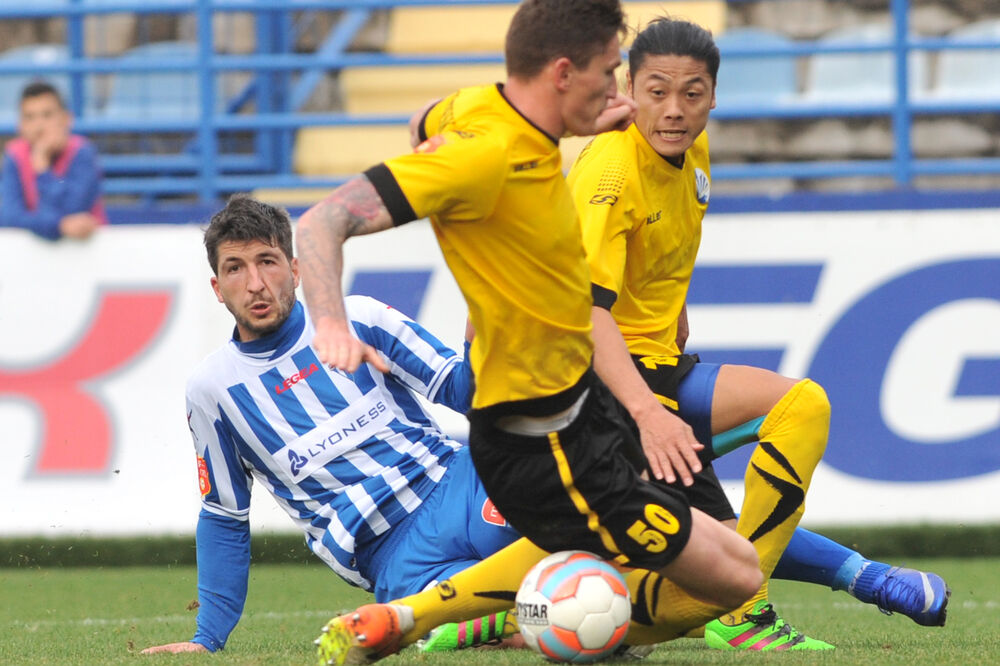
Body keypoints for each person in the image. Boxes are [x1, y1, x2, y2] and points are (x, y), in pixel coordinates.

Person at [295, 1, 765, 663]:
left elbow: (419, 119)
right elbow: (320, 223)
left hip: (583, 408)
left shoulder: (487, 109)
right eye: (610, 74)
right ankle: (505, 621)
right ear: (565, 72)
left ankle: (459, 617)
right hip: (541, 438)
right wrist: (331, 324)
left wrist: (566, 128)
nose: (619, 93)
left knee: (724, 543)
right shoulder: (484, 155)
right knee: (737, 578)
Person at [564, 16, 949, 650]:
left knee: (800, 405)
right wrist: (648, 414)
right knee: (688, 562)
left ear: (714, 96)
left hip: (660, 366)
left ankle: (751, 603)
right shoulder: (609, 172)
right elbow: (585, 312)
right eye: (656, 91)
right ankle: (478, 620)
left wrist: (676, 319)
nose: (675, 110)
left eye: (692, 93)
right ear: (628, 88)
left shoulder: (693, 150)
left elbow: (662, 254)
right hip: (600, 382)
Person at [140, 194, 522, 655]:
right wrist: (208, 639)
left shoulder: (357, 317)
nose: (256, 284)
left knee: (570, 526)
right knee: (513, 616)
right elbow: (224, 516)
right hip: (395, 558)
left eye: (268, 261)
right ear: (218, 288)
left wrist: (483, 320)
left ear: (296, 270)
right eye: (235, 268)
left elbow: (466, 394)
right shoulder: (212, 391)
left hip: (459, 487)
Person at [0, 80, 106, 241]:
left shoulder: (82, 154)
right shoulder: (14, 155)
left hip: (87, 257)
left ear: (66, 119)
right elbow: (9, 217)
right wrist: (58, 226)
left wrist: (42, 168)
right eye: (29, 117)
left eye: (47, 115)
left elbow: (72, 211)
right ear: (20, 125)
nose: (39, 125)